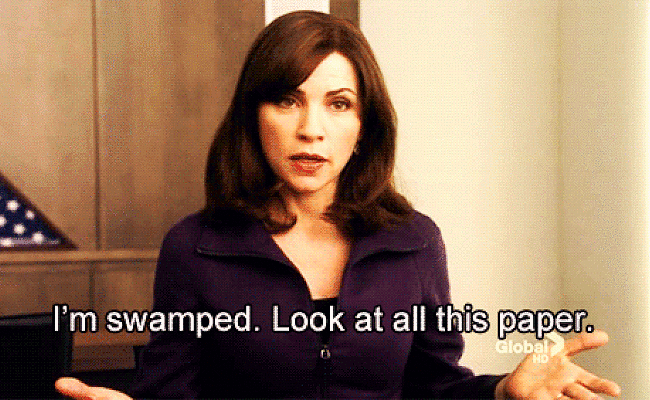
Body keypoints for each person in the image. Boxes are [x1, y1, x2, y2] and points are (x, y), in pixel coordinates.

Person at [56, 11, 620, 399]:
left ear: (364, 125)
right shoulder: (195, 246)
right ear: (254, 116)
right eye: (287, 100)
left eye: (339, 103)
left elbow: (435, 388)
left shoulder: (415, 241)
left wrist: (502, 392)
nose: (312, 129)